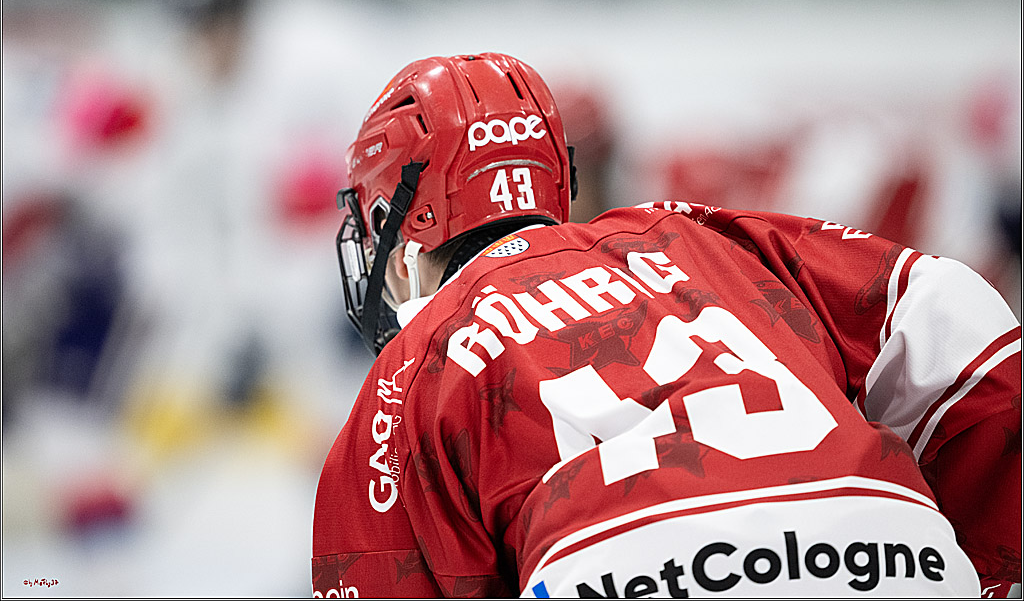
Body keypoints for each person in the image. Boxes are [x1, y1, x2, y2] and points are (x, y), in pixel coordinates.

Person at [312, 52, 1021, 598]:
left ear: (395, 230)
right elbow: (961, 326)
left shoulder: (412, 367)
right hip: (893, 551)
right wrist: (950, 560)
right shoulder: (700, 235)